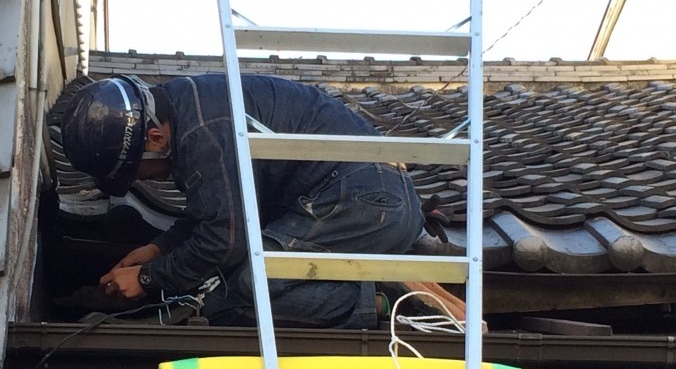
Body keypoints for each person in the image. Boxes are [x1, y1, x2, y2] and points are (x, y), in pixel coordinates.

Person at [60, 73, 426, 328]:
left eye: (134, 171)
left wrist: (147, 278)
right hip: (361, 196)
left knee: (250, 284)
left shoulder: (203, 134)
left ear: (154, 138)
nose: (140, 180)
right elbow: (217, 210)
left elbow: (224, 239)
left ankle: (387, 301)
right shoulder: (190, 110)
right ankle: (377, 284)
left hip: (365, 202)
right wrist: (159, 248)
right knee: (233, 287)